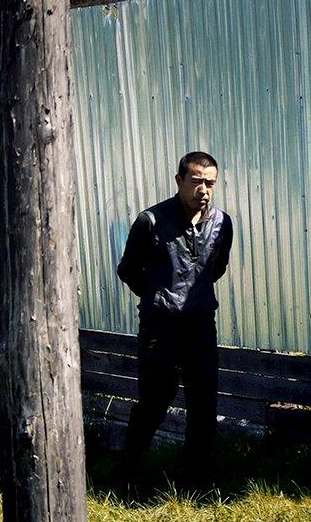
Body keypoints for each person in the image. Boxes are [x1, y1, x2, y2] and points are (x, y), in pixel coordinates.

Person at [117, 151, 233, 487]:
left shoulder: (222, 223)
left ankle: (195, 482)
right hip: (160, 329)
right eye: (196, 180)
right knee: (153, 404)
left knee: (204, 407)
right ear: (179, 180)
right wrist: (158, 296)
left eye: (210, 182)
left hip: (200, 327)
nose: (204, 189)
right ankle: (126, 476)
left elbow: (217, 267)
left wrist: (192, 299)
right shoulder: (150, 221)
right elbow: (128, 270)